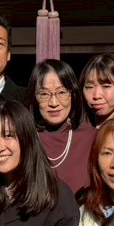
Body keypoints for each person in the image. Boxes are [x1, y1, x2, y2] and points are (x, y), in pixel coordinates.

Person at [29, 58, 97, 196]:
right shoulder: (25, 138)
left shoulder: (91, 138)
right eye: (44, 94)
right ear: (34, 98)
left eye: (61, 92)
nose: (54, 103)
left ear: (73, 94)